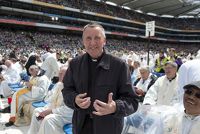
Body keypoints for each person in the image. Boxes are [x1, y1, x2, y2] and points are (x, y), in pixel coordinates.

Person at [62, 23, 138, 134]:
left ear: (104, 41)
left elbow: (132, 101)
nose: (93, 43)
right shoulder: (75, 64)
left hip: (108, 127)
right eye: (88, 38)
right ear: (83, 41)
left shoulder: (119, 65)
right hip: (80, 125)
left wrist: (115, 107)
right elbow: (67, 91)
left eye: (97, 38)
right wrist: (74, 99)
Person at [28, 67, 73, 134]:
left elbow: (69, 109)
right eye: (59, 73)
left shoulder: (72, 88)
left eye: (62, 74)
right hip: (55, 109)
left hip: (66, 116)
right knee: (37, 111)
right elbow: (52, 100)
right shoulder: (59, 84)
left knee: (48, 119)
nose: (59, 75)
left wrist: (51, 111)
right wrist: (46, 109)